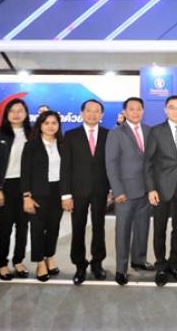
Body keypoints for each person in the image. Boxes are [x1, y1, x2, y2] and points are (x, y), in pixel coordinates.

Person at [144, 95, 177, 286]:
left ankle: (174, 264)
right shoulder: (156, 131)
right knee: (159, 229)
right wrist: (151, 189)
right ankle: (160, 266)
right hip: (161, 189)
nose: (176, 110)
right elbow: (148, 162)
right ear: (165, 110)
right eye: (172, 107)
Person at [60, 99, 111, 285]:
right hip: (77, 191)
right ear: (82, 113)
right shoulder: (71, 135)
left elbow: (111, 165)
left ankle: (97, 263)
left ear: (101, 115)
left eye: (97, 111)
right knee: (78, 228)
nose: (92, 114)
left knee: (99, 227)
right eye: (89, 110)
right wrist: (66, 194)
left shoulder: (108, 135)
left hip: (100, 190)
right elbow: (65, 167)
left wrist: (111, 189)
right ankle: (79, 265)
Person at [105, 97, 153, 286]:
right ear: (124, 112)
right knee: (123, 231)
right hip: (125, 192)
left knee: (143, 228)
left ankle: (139, 260)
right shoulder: (116, 133)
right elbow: (111, 164)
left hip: (146, 190)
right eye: (131, 109)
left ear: (143, 111)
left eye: (139, 109)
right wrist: (117, 191)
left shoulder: (150, 131)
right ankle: (121, 269)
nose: (135, 112)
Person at [0, 99, 31, 281]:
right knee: (5, 227)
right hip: (5, 186)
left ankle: (18, 261)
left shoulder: (33, 133)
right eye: (12, 111)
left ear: (26, 113)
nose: (16, 114)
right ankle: (2, 264)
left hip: (26, 186)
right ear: (6, 114)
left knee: (23, 226)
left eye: (20, 110)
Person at [21, 111, 64, 282]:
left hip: (58, 192)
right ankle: (40, 262)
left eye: (54, 123)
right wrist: (26, 196)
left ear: (58, 125)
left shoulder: (63, 144)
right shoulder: (31, 145)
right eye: (46, 123)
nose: (50, 126)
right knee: (38, 229)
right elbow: (25, 172)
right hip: (38, 192)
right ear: (40, 125)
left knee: (54, 227)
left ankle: (50, 256)